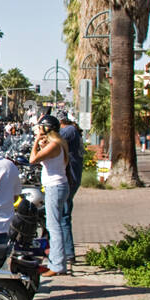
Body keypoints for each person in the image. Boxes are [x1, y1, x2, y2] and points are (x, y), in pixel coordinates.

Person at [31, 115, 71, 277]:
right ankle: (57, 261)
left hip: (55, 187)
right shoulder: (58, 144)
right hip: (57, 185)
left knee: (54, 226)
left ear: (46, 129)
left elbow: (33, 159)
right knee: (56, 224)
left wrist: (36, 142)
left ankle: (57, 265)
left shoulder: (55, 145)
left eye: (40, 128)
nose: (38, 131)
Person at [59, 114, 83, 267]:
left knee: (63, 215)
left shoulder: (69, 130)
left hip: (70, 179)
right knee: (62, 214)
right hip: (72, 178)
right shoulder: (73, 131)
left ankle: (68, 253)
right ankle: (60, 248)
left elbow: (56, 137)